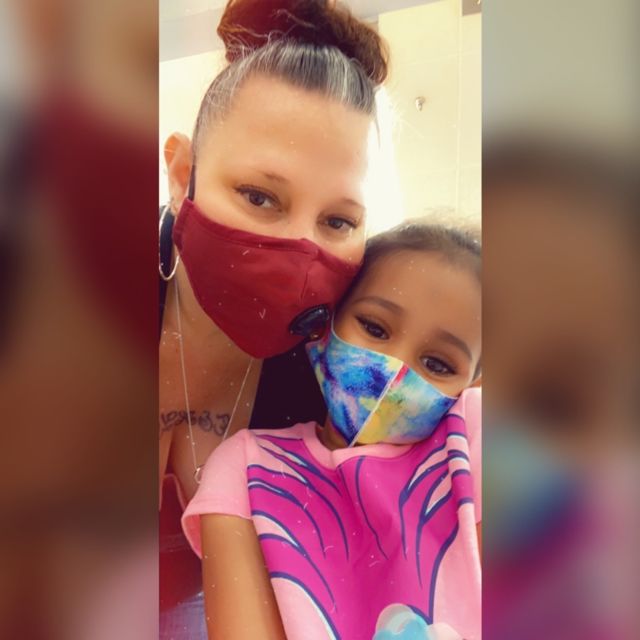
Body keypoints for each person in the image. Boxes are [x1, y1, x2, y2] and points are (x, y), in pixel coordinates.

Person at [159, 0, 390, 631]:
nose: (300, 249)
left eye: (337, 220)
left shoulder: (336, 374)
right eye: (260, 197)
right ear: (183, 174)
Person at [183, 222, 483, 640]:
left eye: (438, 364)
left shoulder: (468, 444)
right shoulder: (244, 467)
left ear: (472, 383)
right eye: (375, 328)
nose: (394, 369)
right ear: (327, 323)